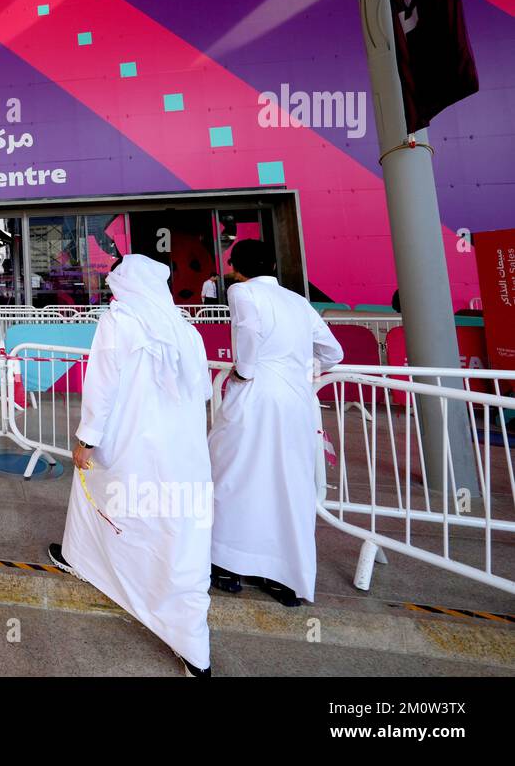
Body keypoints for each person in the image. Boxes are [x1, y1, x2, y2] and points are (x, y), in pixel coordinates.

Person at [47, 254, 215, 677]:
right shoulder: (186, 330)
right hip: (181, 450)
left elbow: (101, 386)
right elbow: (204, 394)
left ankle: (87, 563)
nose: (111, 290)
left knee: (104, 499)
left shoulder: (119, 321)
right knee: (173, 530)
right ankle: (190, 638)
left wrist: (87, 438)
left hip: (130, 441)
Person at [207, 239, 343, 607]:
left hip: (255, 396)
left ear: (237, 266)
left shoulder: (241, 291)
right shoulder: (298, 302)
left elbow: (248, 331)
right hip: (297, 402)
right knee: (287, 482)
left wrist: (245, 370)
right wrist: (298, 370)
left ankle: (225, 563)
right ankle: (283, 574)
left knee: (234, 474)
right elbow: (333, 351)